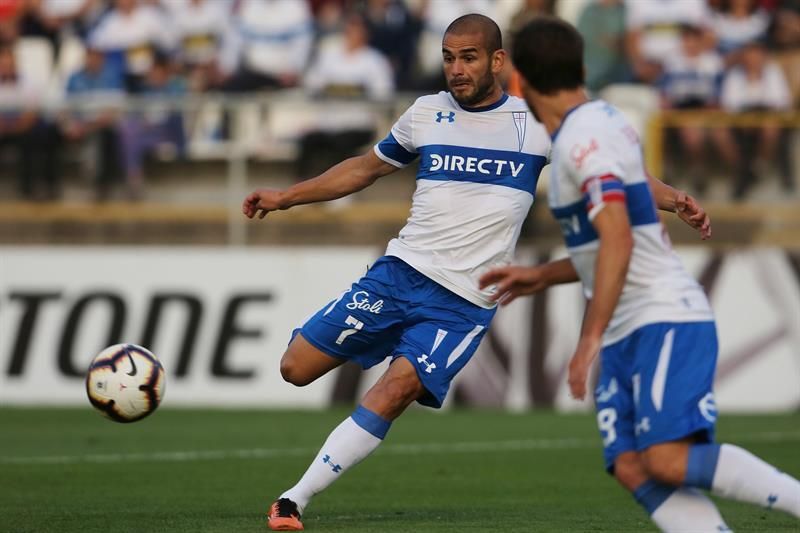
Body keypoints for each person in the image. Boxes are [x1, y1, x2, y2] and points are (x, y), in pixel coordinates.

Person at [244, 14, 710, 532]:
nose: (456, 69)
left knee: (395, 390)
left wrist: (673, 199)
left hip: (463, 302)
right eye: (448, 57)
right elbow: (365, 168)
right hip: (399, 273)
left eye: (468, 57)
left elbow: (618, 172)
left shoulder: (536, 126)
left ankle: (292, 501)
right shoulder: (425, 113)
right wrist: (286, 196)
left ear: (497, 60)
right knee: (295, 368)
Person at [480, 16, 800, 532]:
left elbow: (618, 237)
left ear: (521, 82)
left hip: (661, 317)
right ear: (581, 67)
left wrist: (587, 340)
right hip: (632, 329)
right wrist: (544, 276)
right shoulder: (600, 120)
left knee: (667, 462)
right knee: (631, 466)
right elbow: (620, 202)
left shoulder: (581, 141)